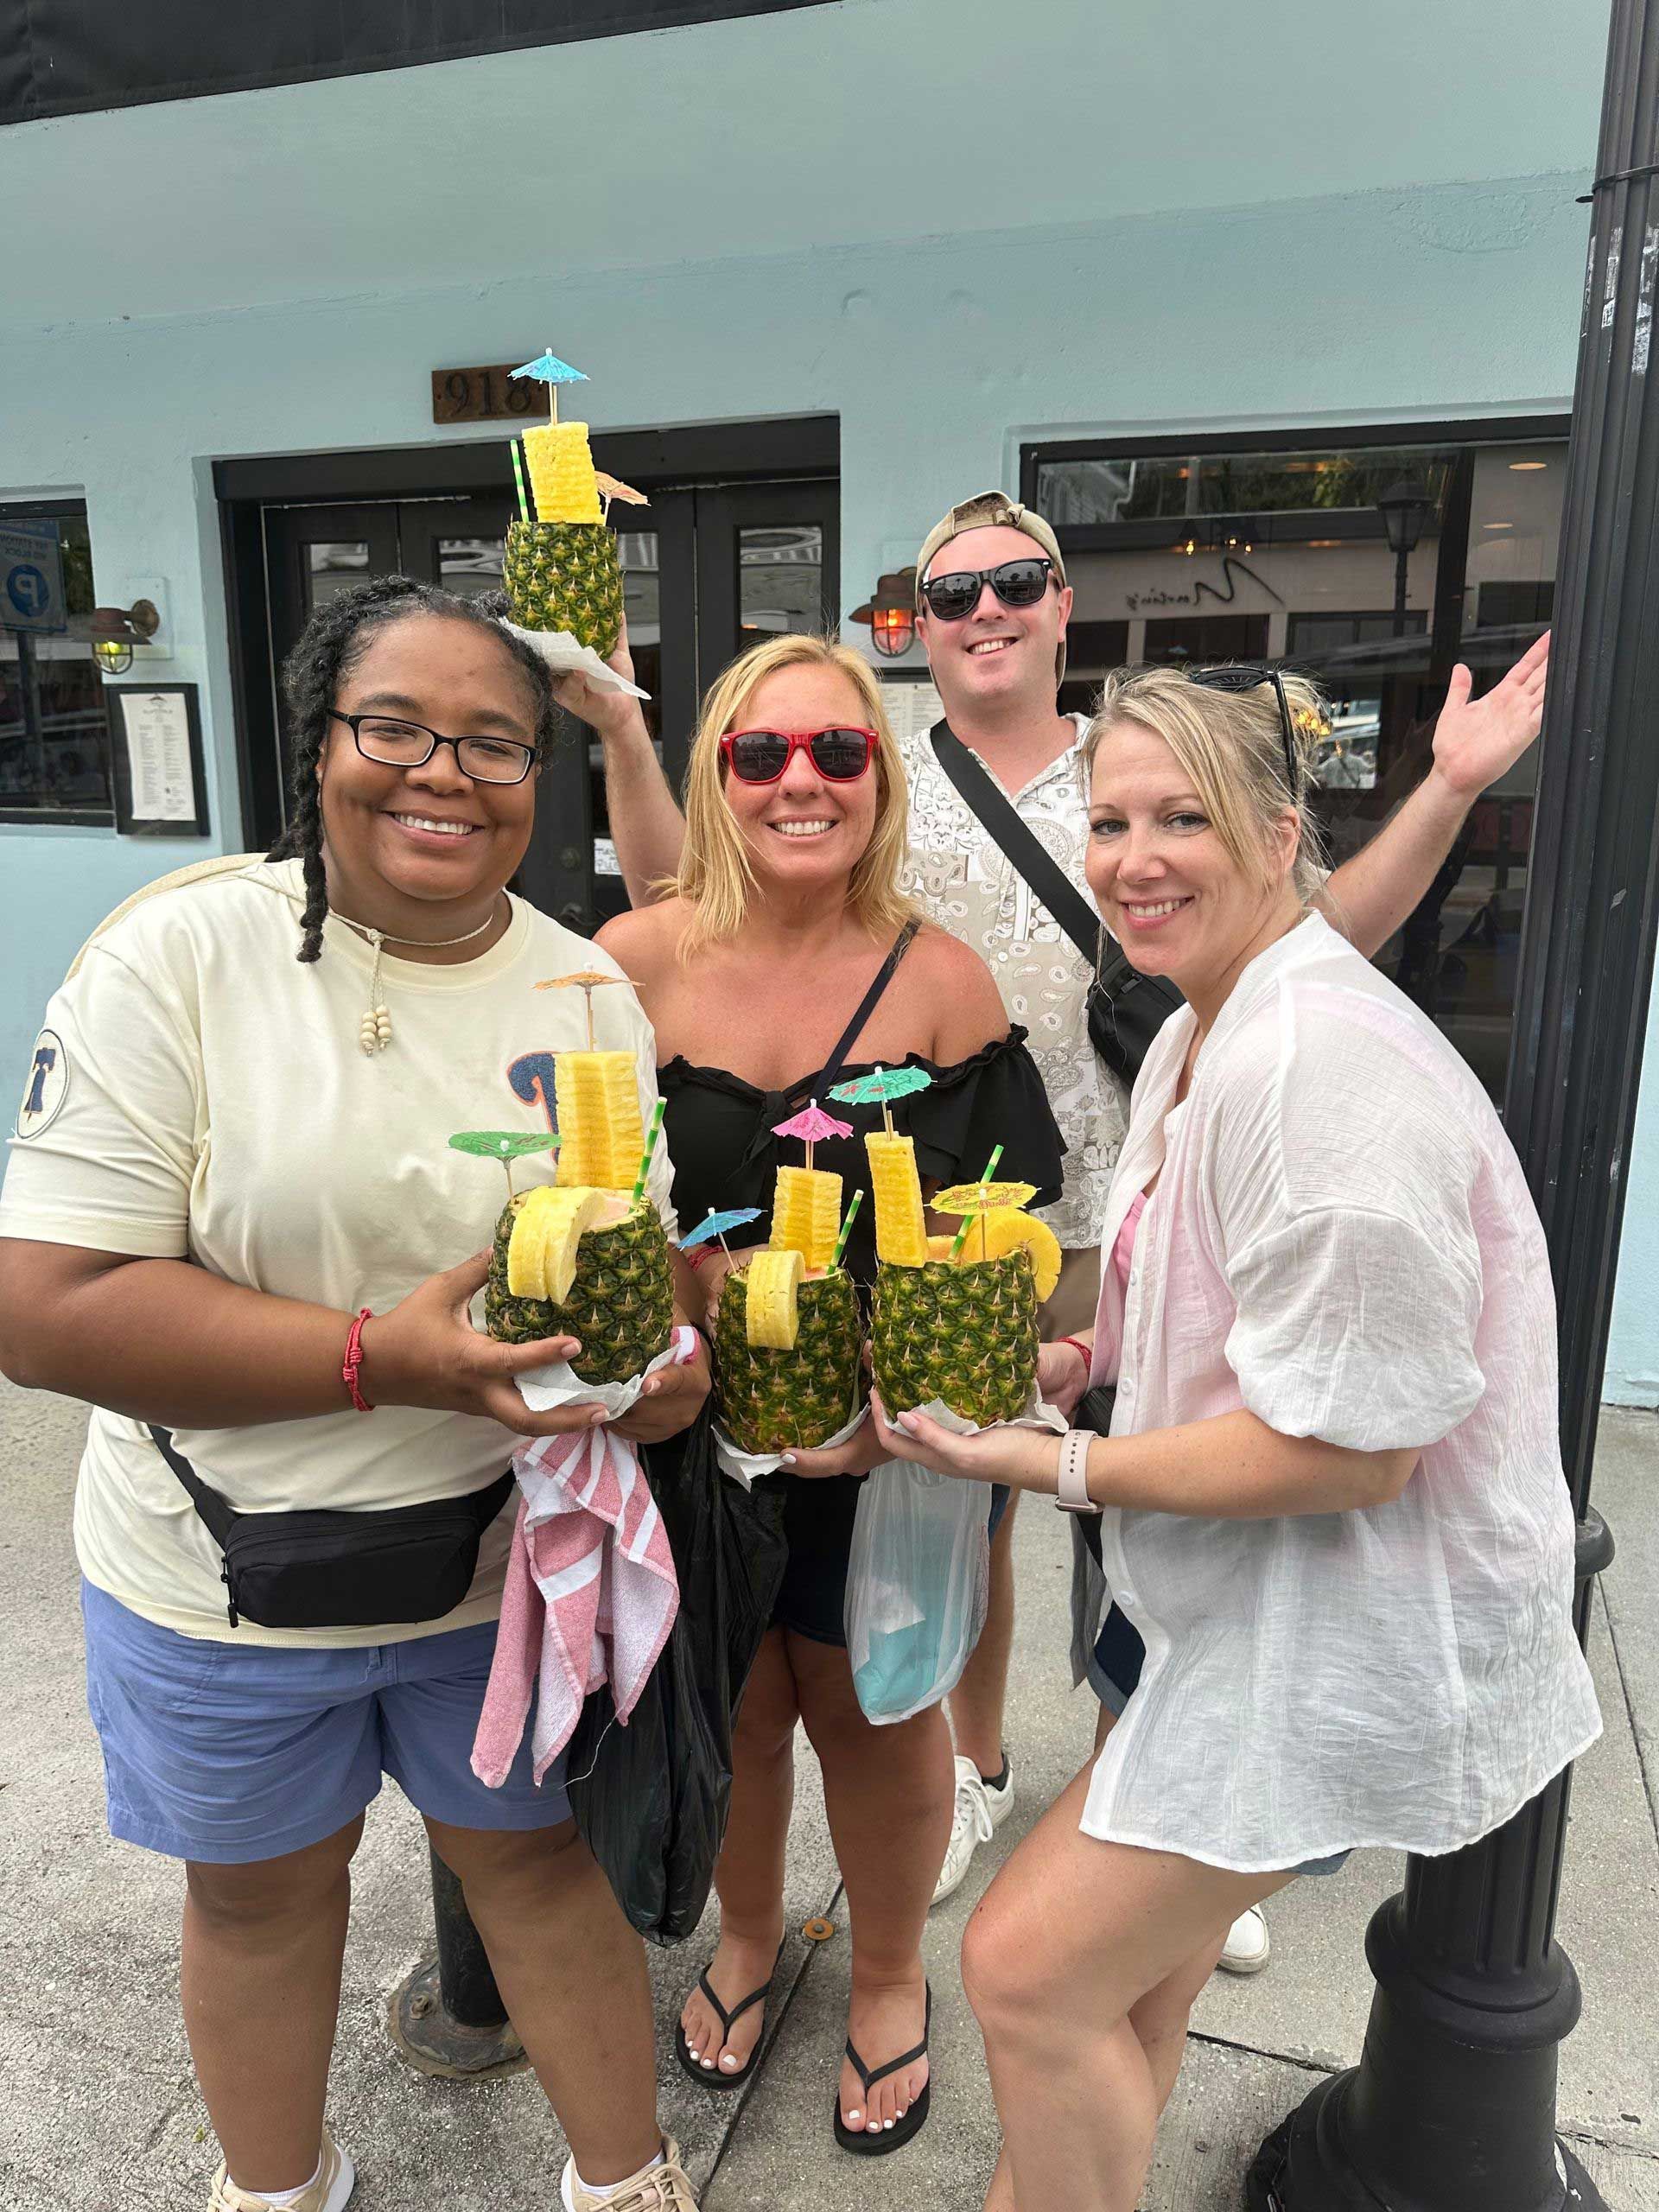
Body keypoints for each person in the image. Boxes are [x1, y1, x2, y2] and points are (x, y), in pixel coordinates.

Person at [563, 491, 1549, 1949]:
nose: (984, 612)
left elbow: (1309, 928)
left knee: (1096, 1501)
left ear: (1062, 599)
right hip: (883, 1290)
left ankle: (1172, 1807)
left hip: (1075, 1209)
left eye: (1015, 582)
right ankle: (998, 1783)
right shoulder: (869, 770)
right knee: (970, 1540)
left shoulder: (1137, 760)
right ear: (919, 626)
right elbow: (691, 877)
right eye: (948, 594)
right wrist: (625, 738)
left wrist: (1450, 788)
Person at [0, 578, 710, 2212]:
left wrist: (658, 1373)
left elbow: (638, 1269)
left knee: (535, 1868)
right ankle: (276, 2192)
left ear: (544, 775)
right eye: (395, 727)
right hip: (217, 1581)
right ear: (318, 743)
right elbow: (46, 1315)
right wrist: (375, 1357)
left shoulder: (585, 995)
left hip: (496, 1572)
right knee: (260, 1899)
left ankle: (628, 2183)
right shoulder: (174, 956)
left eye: (496, 744)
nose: (443, 774)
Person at [866, 656, 1600, 2212]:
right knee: (1130, 1986)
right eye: (1114, 819)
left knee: (1020, 1970)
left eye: (1182, 817)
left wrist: (1042, 1461)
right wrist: (1082, 1361)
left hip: (1340, 1610)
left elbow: (1354, 1450)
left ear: (1281, 834)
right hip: (1226, 1594)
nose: (1136, 858)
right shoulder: (1224, 1018)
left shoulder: (1313, 1068)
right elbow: (1211, 1285)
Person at [594, 632, 1066, 2152]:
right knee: (732, 1714)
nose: (802, 781)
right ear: (717, 777)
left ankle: (881, 1977)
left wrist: (979, 1366)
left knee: (873, 1716)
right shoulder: (634, 959)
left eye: (839, 752)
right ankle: (744, 1944)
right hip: (690, 1437)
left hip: (884, 1444)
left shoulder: (941, 980)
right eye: (761, 754)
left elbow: (1021, 1230)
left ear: (880, 778)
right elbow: (576, 1183)